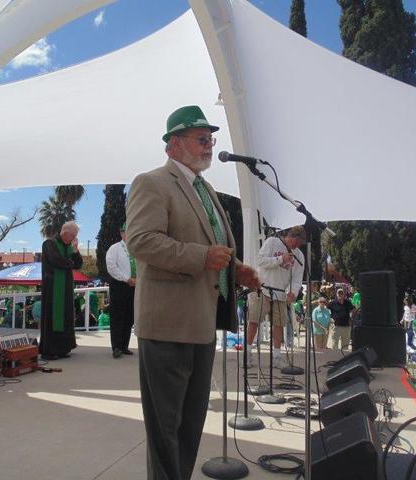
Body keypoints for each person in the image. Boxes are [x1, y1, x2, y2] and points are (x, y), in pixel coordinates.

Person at [126, 105, 260, 480]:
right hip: (167, 324)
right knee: (165, 427)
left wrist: (236, 270)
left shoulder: (205, 190)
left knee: (190, 424)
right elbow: (141, 241)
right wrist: (203, 257)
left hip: (202, 323)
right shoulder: (151, 182)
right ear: (174, 144)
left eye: (210, 139)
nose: (208, 145)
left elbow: (213, 247)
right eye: (201, 138)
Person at [245, 226, 306, 368]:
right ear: (290, 236)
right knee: (254, 321)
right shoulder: (272, 242)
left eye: (300, 244)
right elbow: (260, 261)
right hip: (261, 288)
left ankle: (277, 357)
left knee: (279, 324)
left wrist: (294, 292)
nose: (297, 246)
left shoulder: (299, 256)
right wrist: (280, 259)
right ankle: (247, 353)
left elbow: (297, 278)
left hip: (279, 292)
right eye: (296, 242)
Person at [39, 221, 83, 360]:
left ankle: (63, 348)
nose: (74, 239)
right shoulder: (49, 243)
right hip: (52, 286)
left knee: (66, 317)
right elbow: (55, 260)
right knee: (52, 317)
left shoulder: (69, 246)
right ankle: (49, 351)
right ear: (65, 233)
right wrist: (71, 263)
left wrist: (75, 251)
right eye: (73, 236)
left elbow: (79, 264)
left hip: (66, 287)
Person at [105, 223, 136, 358]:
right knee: (118, 316)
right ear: (122, 233)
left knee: (129, 316)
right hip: (119, 285)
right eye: (126, 231)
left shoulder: (135, 249)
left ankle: (124, 345)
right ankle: (116, 347)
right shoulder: (114, 248)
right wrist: (126, 278)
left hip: (134, 285)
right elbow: (111, 267)